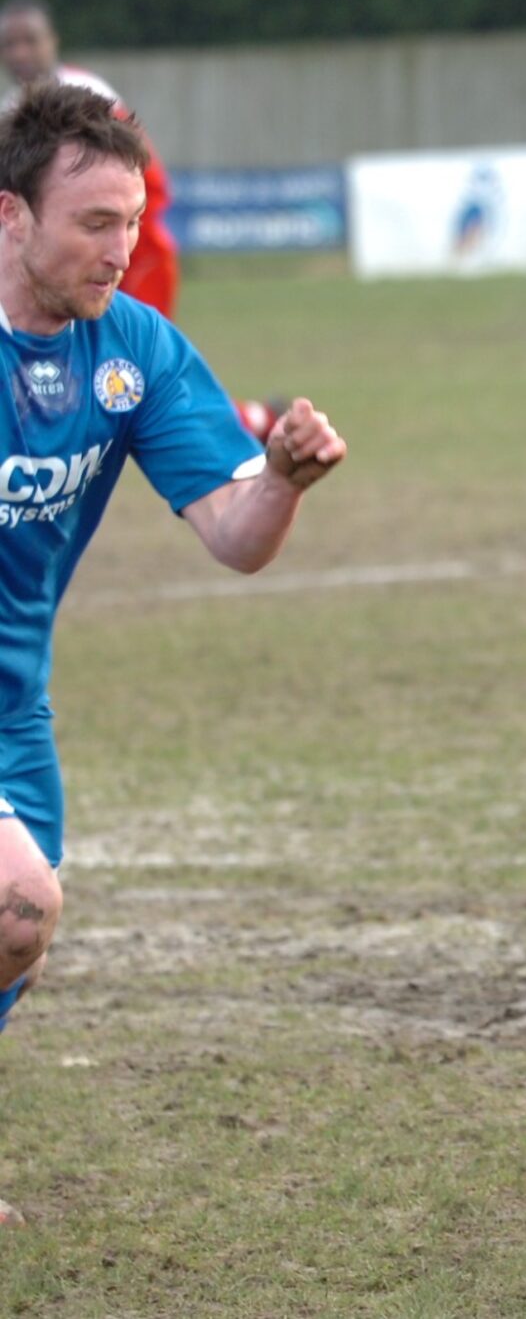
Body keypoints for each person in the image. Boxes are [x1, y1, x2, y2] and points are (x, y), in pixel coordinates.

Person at [0, 84, 345, 1226]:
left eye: (133, 221)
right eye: (94, 223)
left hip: (14, 703)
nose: (121, 249)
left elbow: (235, 537)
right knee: (17, 899)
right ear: (11, 215)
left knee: (14, 935)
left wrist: (282, 479)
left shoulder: (133, 347)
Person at [0, 0, 278, 440]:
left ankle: (250, 427)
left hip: (140, 255)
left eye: (30, 41)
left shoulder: (83, 94)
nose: (20, 53)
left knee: (143, 375)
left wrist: (123, 235)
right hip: (75, 263)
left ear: (53, 41)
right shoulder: (14, 108)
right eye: (9, 43)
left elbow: (142, 181)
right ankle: (257, 420)